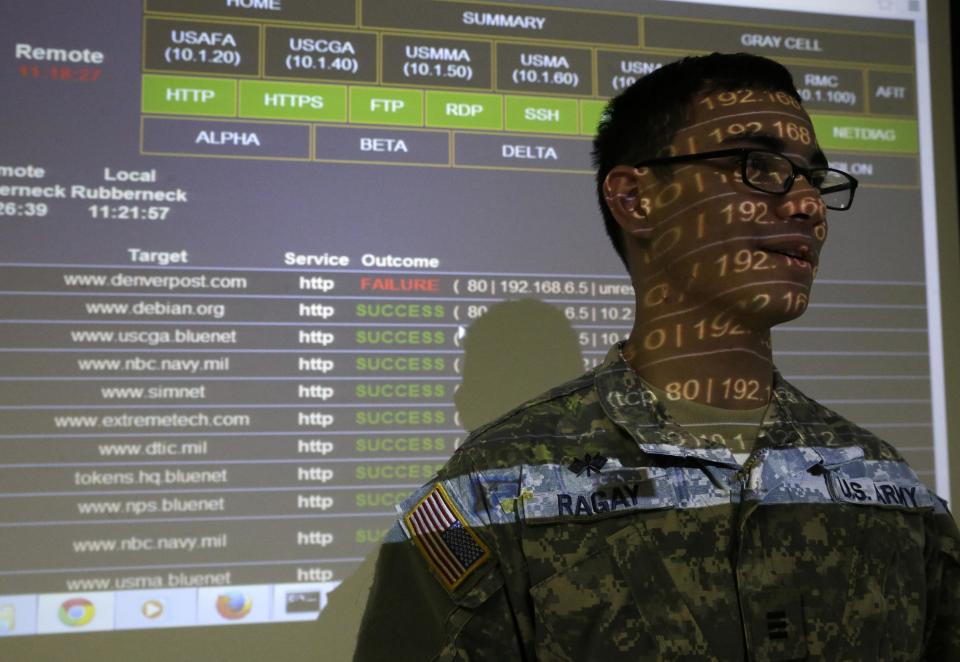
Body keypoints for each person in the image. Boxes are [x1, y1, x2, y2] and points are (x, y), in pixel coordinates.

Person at [344, 52, 960, 660]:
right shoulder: (494, 492)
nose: (807, 206)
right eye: (759, 165)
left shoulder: (886, 485)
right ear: (636, 200)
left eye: (813, 178)